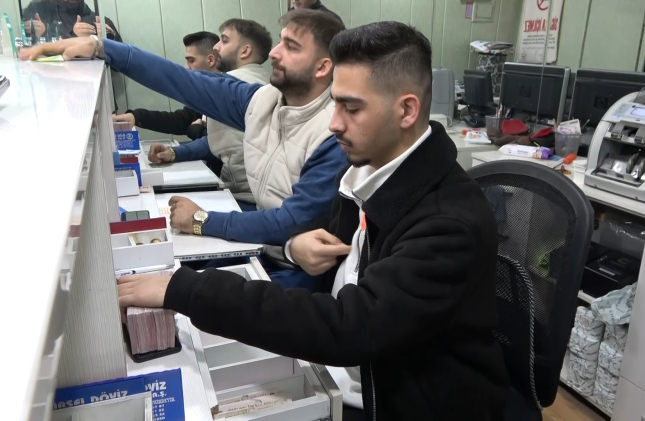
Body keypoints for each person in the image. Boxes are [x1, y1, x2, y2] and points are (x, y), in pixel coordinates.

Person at [115, 21, 509, 420]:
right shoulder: (366, 171)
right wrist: (292, 246)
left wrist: (187, 290)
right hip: (348, 374)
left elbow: (348, 327)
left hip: (399, 401)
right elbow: (330, 258)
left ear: (406, 110)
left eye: (352, 108)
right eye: (335, 104)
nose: (334, 123)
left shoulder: (448, 223)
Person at [20, 10, 348, 291]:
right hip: (269, 247)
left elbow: (289, 222)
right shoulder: (263, 101)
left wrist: (201, 220)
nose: (274, 53)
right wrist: (102, 48)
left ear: (322, 67)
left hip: (301, 269)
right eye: (279, 42)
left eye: (290, 47)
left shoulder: (333, 134)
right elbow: (183, 81)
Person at [144, 19, 274, 209]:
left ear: (245, 51)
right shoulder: (264, 80)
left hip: (249, 201)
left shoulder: (233, 85)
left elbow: (172, 78)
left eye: (224, 40)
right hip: (251, 196)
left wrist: (112, 51)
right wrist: (174, 152)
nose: (216, 46)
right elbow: (218, 139)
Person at [112, 31, 221, 143]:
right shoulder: (204, 92)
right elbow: (183, 120)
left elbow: (220, 141)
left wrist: (196, 131)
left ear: (211, 60)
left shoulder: (225, 94)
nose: (186, 67)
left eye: (191, 61)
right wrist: (135, 117)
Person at [22, 0, 121, 42]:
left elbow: (120, 63)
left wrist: (104, 41)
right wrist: (39, 36)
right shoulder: (35, 11)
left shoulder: (99, 22)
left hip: (87, 78)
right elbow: (19, 52)